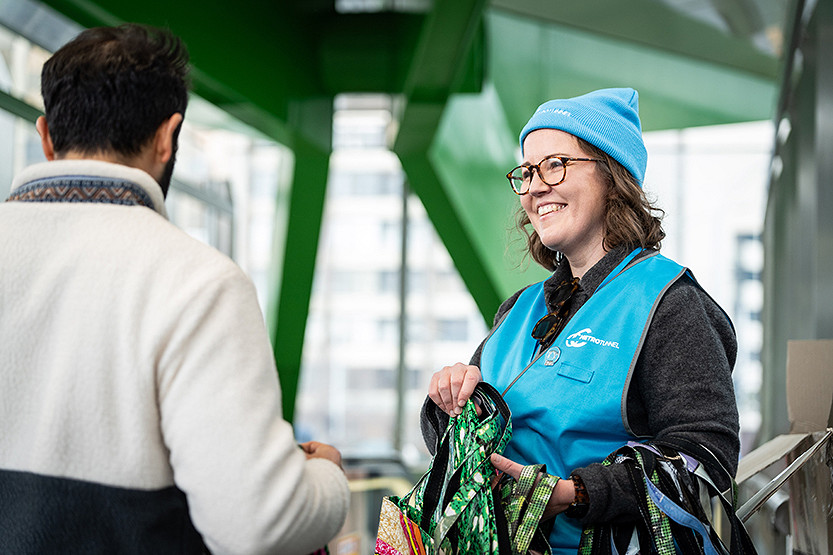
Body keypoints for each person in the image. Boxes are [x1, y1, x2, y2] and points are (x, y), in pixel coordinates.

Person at [0, 24, 349, 554]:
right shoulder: (199, 283)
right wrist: (326, 479)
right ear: (168, 136)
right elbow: (258, 525)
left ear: (46, 136)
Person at [421, 88, 740, 553]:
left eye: (555, 164)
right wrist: (449, 403)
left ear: (613, 177)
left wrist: (577, 494)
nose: (534, 187)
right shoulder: (518, 311)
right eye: (527, 172)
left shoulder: (668, 304)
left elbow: (706, 460)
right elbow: (464, 446)